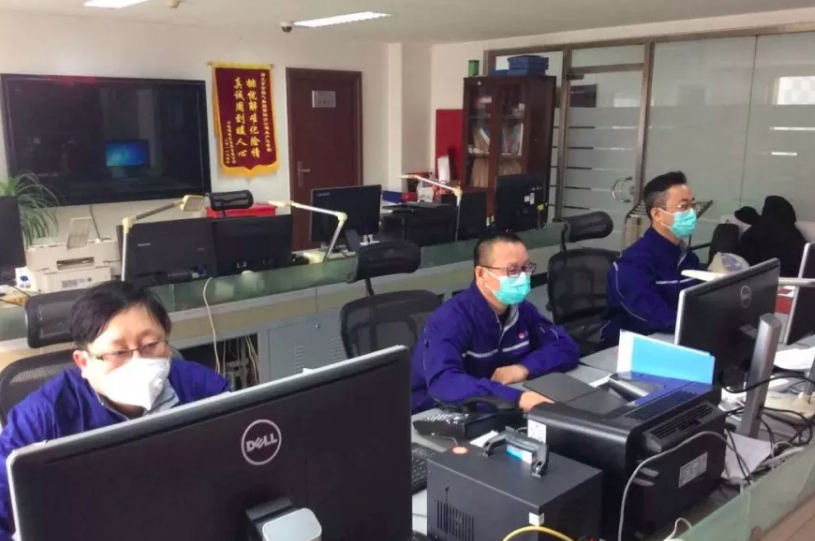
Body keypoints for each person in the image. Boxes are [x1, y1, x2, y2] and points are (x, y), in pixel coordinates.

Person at [0, 281, 229, 539]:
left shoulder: (202, 387)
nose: (139, 362)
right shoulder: (42, 416)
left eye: (150, 344)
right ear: (83, 362)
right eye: (118, 352)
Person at [411, 232, 579, 414]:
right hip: (438, 412)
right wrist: (516, 399)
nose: (523, 277)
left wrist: (524, 368)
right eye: (512, 270)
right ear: (481, 274)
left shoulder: (522, 310)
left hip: (497, 408)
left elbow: (565, 346)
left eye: (526, 268)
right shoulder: (450, 319)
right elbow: (444, 382)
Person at [602, 171, 703, 345]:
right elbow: (654, 316)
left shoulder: (688, 257)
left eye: (693, 205)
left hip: (675, 340)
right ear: (657, 214)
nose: (692, 213)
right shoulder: (632, 264)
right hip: (631, 347)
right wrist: (701, 325)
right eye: (684, 206)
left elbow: (702, 300)